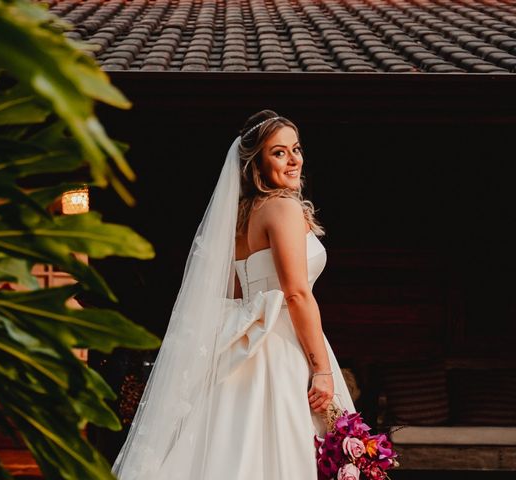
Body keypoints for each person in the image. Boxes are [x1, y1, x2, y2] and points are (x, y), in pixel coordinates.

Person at [112, 110, 356, 479]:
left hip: (238, 340)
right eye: (278, 152)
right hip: (279, 346)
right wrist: (321, 370)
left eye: (296, 149)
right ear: (256, 162)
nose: (293, 160)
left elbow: (239, 290)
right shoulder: (282, 209)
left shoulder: (240, 215)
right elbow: (296, 294)